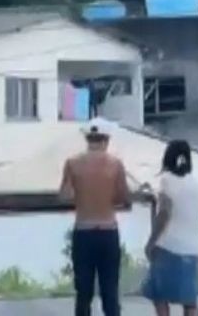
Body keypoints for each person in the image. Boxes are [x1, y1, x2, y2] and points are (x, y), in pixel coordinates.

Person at [61, 119, 133, 316]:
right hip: (108, 230)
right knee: (110, 290)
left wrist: (83, 195)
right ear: (106, 140)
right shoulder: (115, 165)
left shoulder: (72, 163)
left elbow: (65, 195)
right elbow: (124, 197)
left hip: (83, 230)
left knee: (83, 291)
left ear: (87, 139)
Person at [141, 139, 198, 316]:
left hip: (168, 246)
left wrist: (151, 242)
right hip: (193, 249)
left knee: (160, 296)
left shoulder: (166, 180)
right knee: (189, 300)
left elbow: (164, 214)